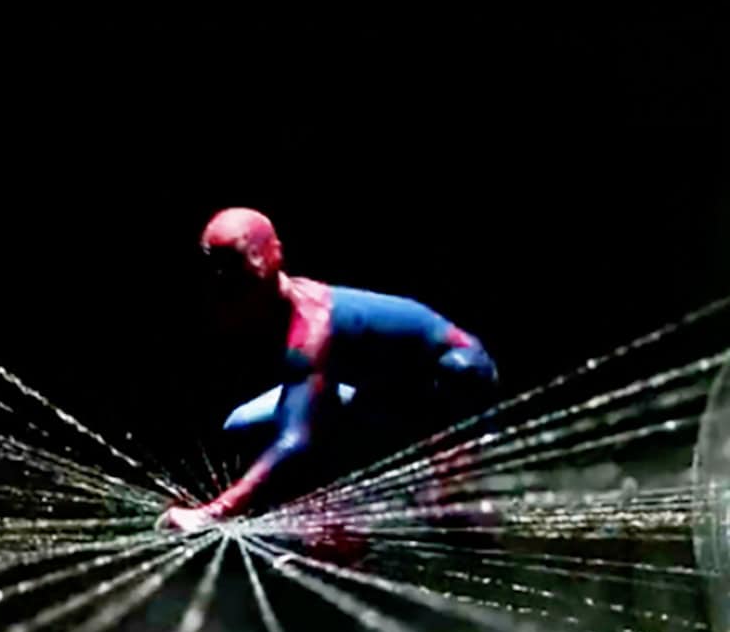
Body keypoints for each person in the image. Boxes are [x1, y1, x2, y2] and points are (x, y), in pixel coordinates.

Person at [159, 207, 499, 531]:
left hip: (448, 381)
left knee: (316, 443)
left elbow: (295, 439)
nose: (222, 299)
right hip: (383, 385)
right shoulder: (279, 309)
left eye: (235, 284)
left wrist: (214, 512)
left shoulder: (310, 330)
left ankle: (449, 488)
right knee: (244, 426)